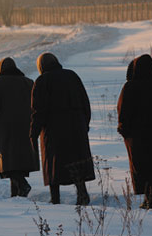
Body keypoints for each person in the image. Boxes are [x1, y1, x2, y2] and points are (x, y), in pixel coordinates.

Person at [30, 52, 95, 205]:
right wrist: (84, 123)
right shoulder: (72, 76)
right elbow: (85, 102)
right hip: (76, 127)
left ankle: (55, 199)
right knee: (76, 161)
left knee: (54, 165)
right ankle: (82, 194)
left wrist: (33, 133)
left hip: (54, 131)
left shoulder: (42, 81)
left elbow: (38, 111)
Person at [117, 54, 152, 211]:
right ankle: (151, 199)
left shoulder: (130, 87)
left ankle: (150, 200)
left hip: (137, 137)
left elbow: (123, 111)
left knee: (142, 168)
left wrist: (124, 131)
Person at [0, 57, 40, 197]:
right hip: (26, 129)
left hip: (7, 130)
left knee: (10, 165)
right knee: (18, 163)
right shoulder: (28, 82)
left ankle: (23, 185)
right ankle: (17, 197)